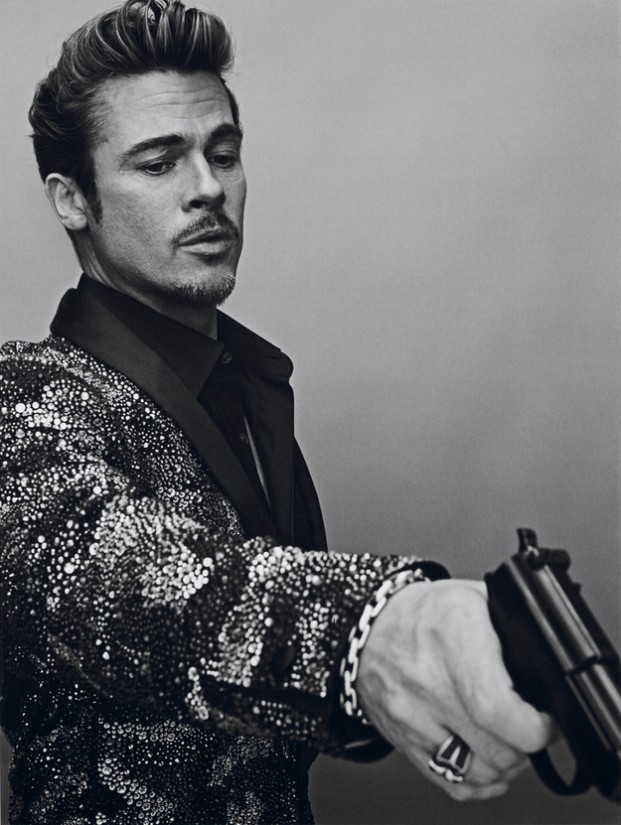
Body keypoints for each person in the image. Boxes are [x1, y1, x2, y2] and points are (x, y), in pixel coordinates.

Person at [0, 1, 554, 822]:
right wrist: (372, 630)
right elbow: (116, 576)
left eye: (223, 153)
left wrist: (412, 699)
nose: (207, 189)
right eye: (159, 163)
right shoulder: (24, 399)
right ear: (72, 198)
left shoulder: (247, 385)